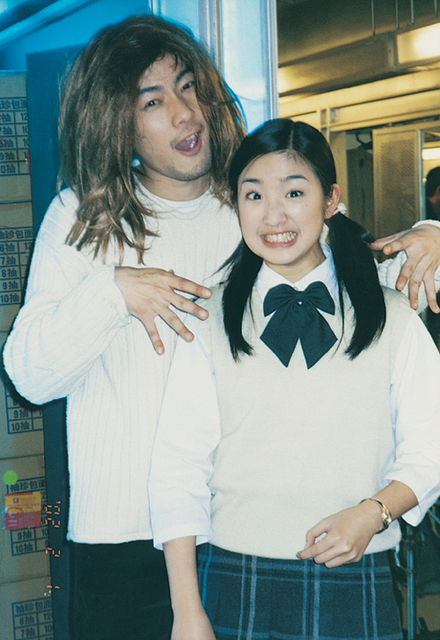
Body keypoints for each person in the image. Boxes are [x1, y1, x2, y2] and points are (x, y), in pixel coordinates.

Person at [2, 14, 440, 640]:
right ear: (116, 122)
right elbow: (30, 376)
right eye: (153, 101)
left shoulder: (249, 204)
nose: (185, 113)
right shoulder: (84, 217)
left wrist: (431, 234)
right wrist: (112, 292)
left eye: (189, 87)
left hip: (229, 536)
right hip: (121, 535)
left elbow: (361, 281)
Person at [148, 119, 440, 640]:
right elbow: (178, 468)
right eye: (254, 194)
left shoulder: (391, 314)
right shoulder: (209, 318)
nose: (273, 214)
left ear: (331, 200)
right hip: (232, 579)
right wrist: (186, 611)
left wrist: (374, 514)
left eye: (295, 192)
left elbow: (430, 447)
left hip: (356, 576)